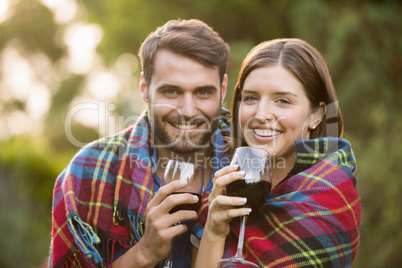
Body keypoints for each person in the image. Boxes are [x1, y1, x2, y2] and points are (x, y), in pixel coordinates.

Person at [49, 19, 230, 267]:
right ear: (145, 88)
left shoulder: (255, 168)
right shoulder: (87, 173)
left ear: (223, 88)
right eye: (171, 92)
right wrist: (144, 252)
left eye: (203, 92)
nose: (188, 111)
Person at [195, 38, 361, 267]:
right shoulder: (224, 181)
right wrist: (213, 233)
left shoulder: (329, 193)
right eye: (251, 98)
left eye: (282, 101)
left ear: (316, 115)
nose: (261, 113)